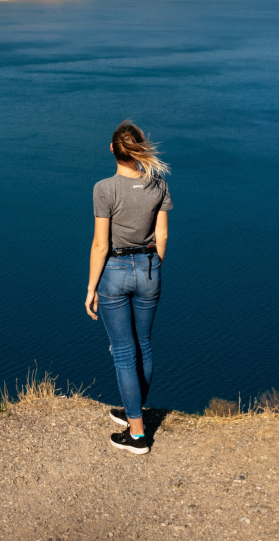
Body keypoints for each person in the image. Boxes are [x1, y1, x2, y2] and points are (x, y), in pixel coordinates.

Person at [85, 120, 173, 454]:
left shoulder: (104, 188)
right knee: (144, 346)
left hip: (115, 272)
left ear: (112, 149)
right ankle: (133, 410)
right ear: (139, 148)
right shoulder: (158, 184)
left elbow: (100, 245)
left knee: (123, 351)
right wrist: (152, 266)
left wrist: (91, 288)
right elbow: (162, 234)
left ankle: (137, 435)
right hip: (150, 269)